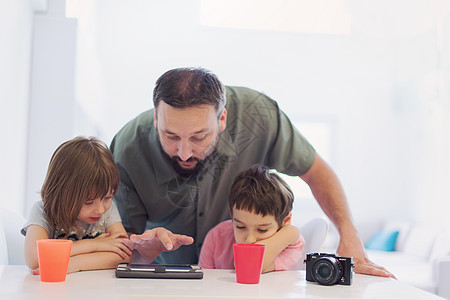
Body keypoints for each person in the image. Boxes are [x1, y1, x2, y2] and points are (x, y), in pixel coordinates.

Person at [111, 67, 392, 277]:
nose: (184, 152)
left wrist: (349, 235)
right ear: (156, 117)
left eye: (198, 137)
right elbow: (123, 244)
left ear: (222, 119)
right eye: (170, 136)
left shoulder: (259, 116)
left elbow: (316, 171)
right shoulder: (127, 149)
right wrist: (140, 252)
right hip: (168, 277)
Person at [22, 136, 133, 274]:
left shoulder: (108, 210)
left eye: (108, 197)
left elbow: (125, 254)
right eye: (89, 202)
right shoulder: (43, 211)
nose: (100, 210)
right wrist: (94, 245)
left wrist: (71, 264)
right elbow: (34, 259)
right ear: (62, 194)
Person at [199, 165, 303, 273]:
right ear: (232, 217)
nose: (250, 240)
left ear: (285, 221)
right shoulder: (216, 236)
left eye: (262, 229)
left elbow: (248, 266)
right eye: (240, 227)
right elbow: (202, 284)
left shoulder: (291, 242)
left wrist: (292, 232)